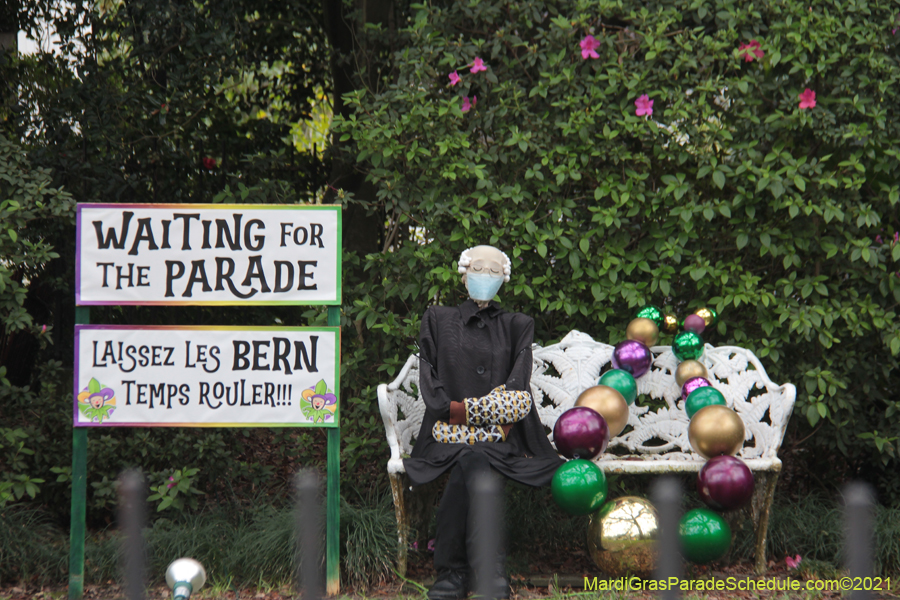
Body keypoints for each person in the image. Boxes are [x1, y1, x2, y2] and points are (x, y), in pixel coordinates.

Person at [404, 245, 563, 600]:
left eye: (494, 271)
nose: (485, 277)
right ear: (463, 272)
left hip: (503, 434)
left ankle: (452, 573)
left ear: (505, 278)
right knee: (473, 459)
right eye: (478, 268)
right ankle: (489, 569)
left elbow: (517, 386)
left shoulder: (518, 325)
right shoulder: (438, 319)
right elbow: (429, 379)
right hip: (446, 432)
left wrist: (490, 424)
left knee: (474, 458)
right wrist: (460, 415)